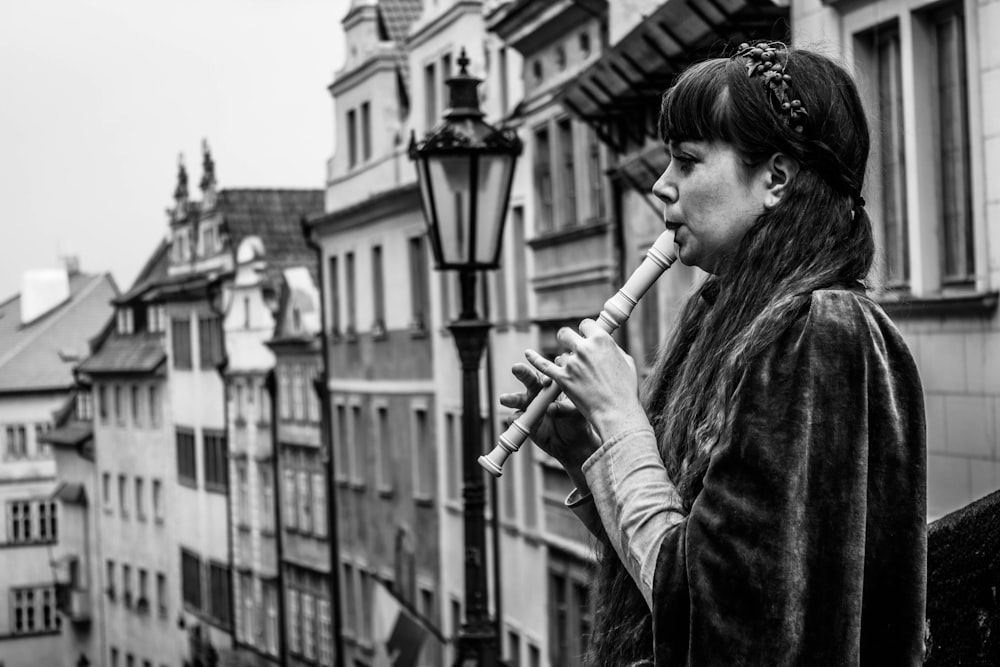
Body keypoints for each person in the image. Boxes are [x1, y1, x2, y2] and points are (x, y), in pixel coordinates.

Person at [500, 42, 927, 666]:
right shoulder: (730, 318)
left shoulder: (816, 334)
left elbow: (720, 617)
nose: (660, 186)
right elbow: (671, 571)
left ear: (775, 179)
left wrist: (623, 423)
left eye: (687, 161)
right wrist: (591, 459)